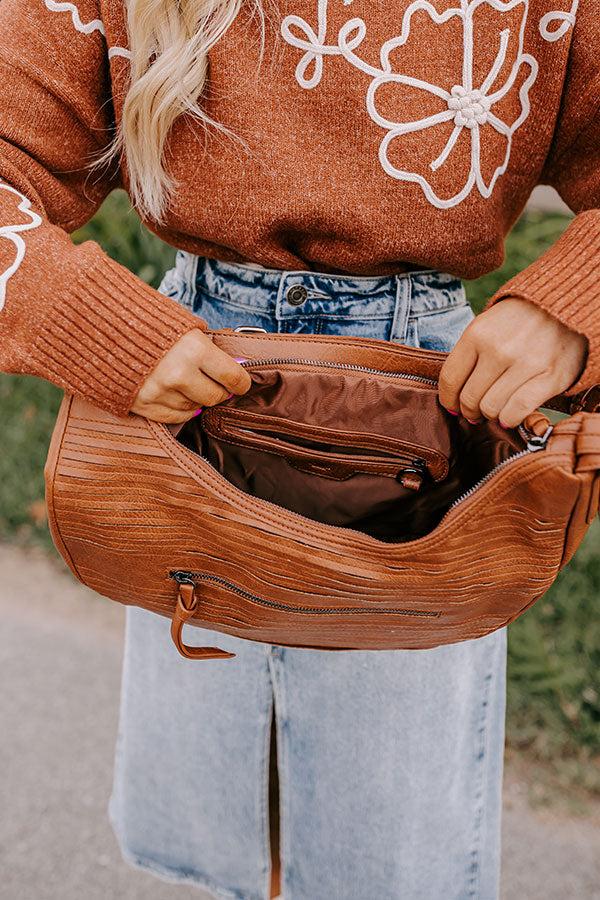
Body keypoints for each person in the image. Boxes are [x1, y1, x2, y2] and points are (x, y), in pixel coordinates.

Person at [0, 0, 596, 897]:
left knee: (388, 859)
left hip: (426, 411)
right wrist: (88, 323)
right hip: (186, 402)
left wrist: (573, 304)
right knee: (217, 833)